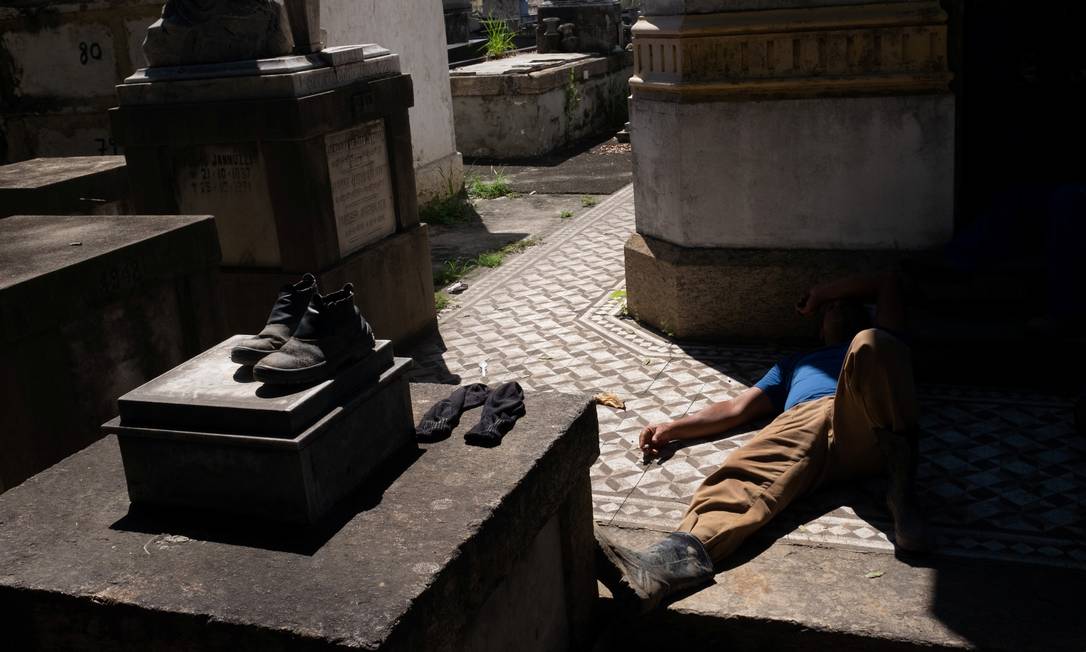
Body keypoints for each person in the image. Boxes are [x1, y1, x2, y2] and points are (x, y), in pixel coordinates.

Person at [594, 273, 930, 613]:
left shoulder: (878, 341)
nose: (839, 306)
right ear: (820, 330)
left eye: (847, 303)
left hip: (869, 424)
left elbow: (888, 281)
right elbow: (736, 408)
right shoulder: (794, 364)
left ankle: (901, 492)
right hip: (804, 422)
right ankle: (659, 570)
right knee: (743, 476)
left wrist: (821, 294)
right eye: (831, 308)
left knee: (874, 343)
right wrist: (673, 428)